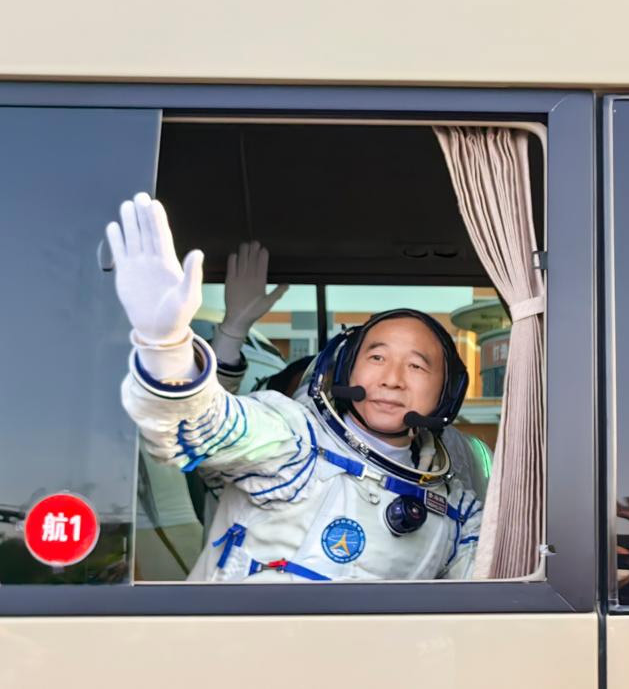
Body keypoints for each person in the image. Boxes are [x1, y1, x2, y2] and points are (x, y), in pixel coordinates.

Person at [106, 193, 482, 582]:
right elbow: (206, 423)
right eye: (376, 358)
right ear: (346, 370)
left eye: (417, 366)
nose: (392, 378)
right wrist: (165, 346)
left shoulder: (457, 511)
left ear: (446, 394)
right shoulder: (292, 440)